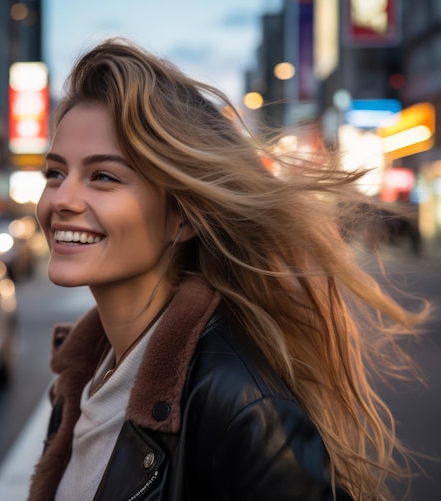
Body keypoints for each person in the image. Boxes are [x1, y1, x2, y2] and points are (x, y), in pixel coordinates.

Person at [28, 38, 429, 501]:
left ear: (182, 217)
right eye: (55, 173)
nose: (61, 200)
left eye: (103, 176)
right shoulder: (81, 378)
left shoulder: (243, 408)